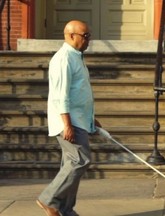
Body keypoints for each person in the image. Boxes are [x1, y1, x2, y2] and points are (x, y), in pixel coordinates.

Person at [36, 20, 101, 216]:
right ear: (71, 36)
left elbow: (79, 93)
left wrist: (91, 118)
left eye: (89, 36)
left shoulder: (77, 57)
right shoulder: (63, 58)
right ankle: (48, 199)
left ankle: (65, 210)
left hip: (79, 120)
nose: (89, 40)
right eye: (85, 36)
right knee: (80, 161)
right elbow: (60, 95)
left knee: (71, 165)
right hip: (69, 122)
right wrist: (67, 124)